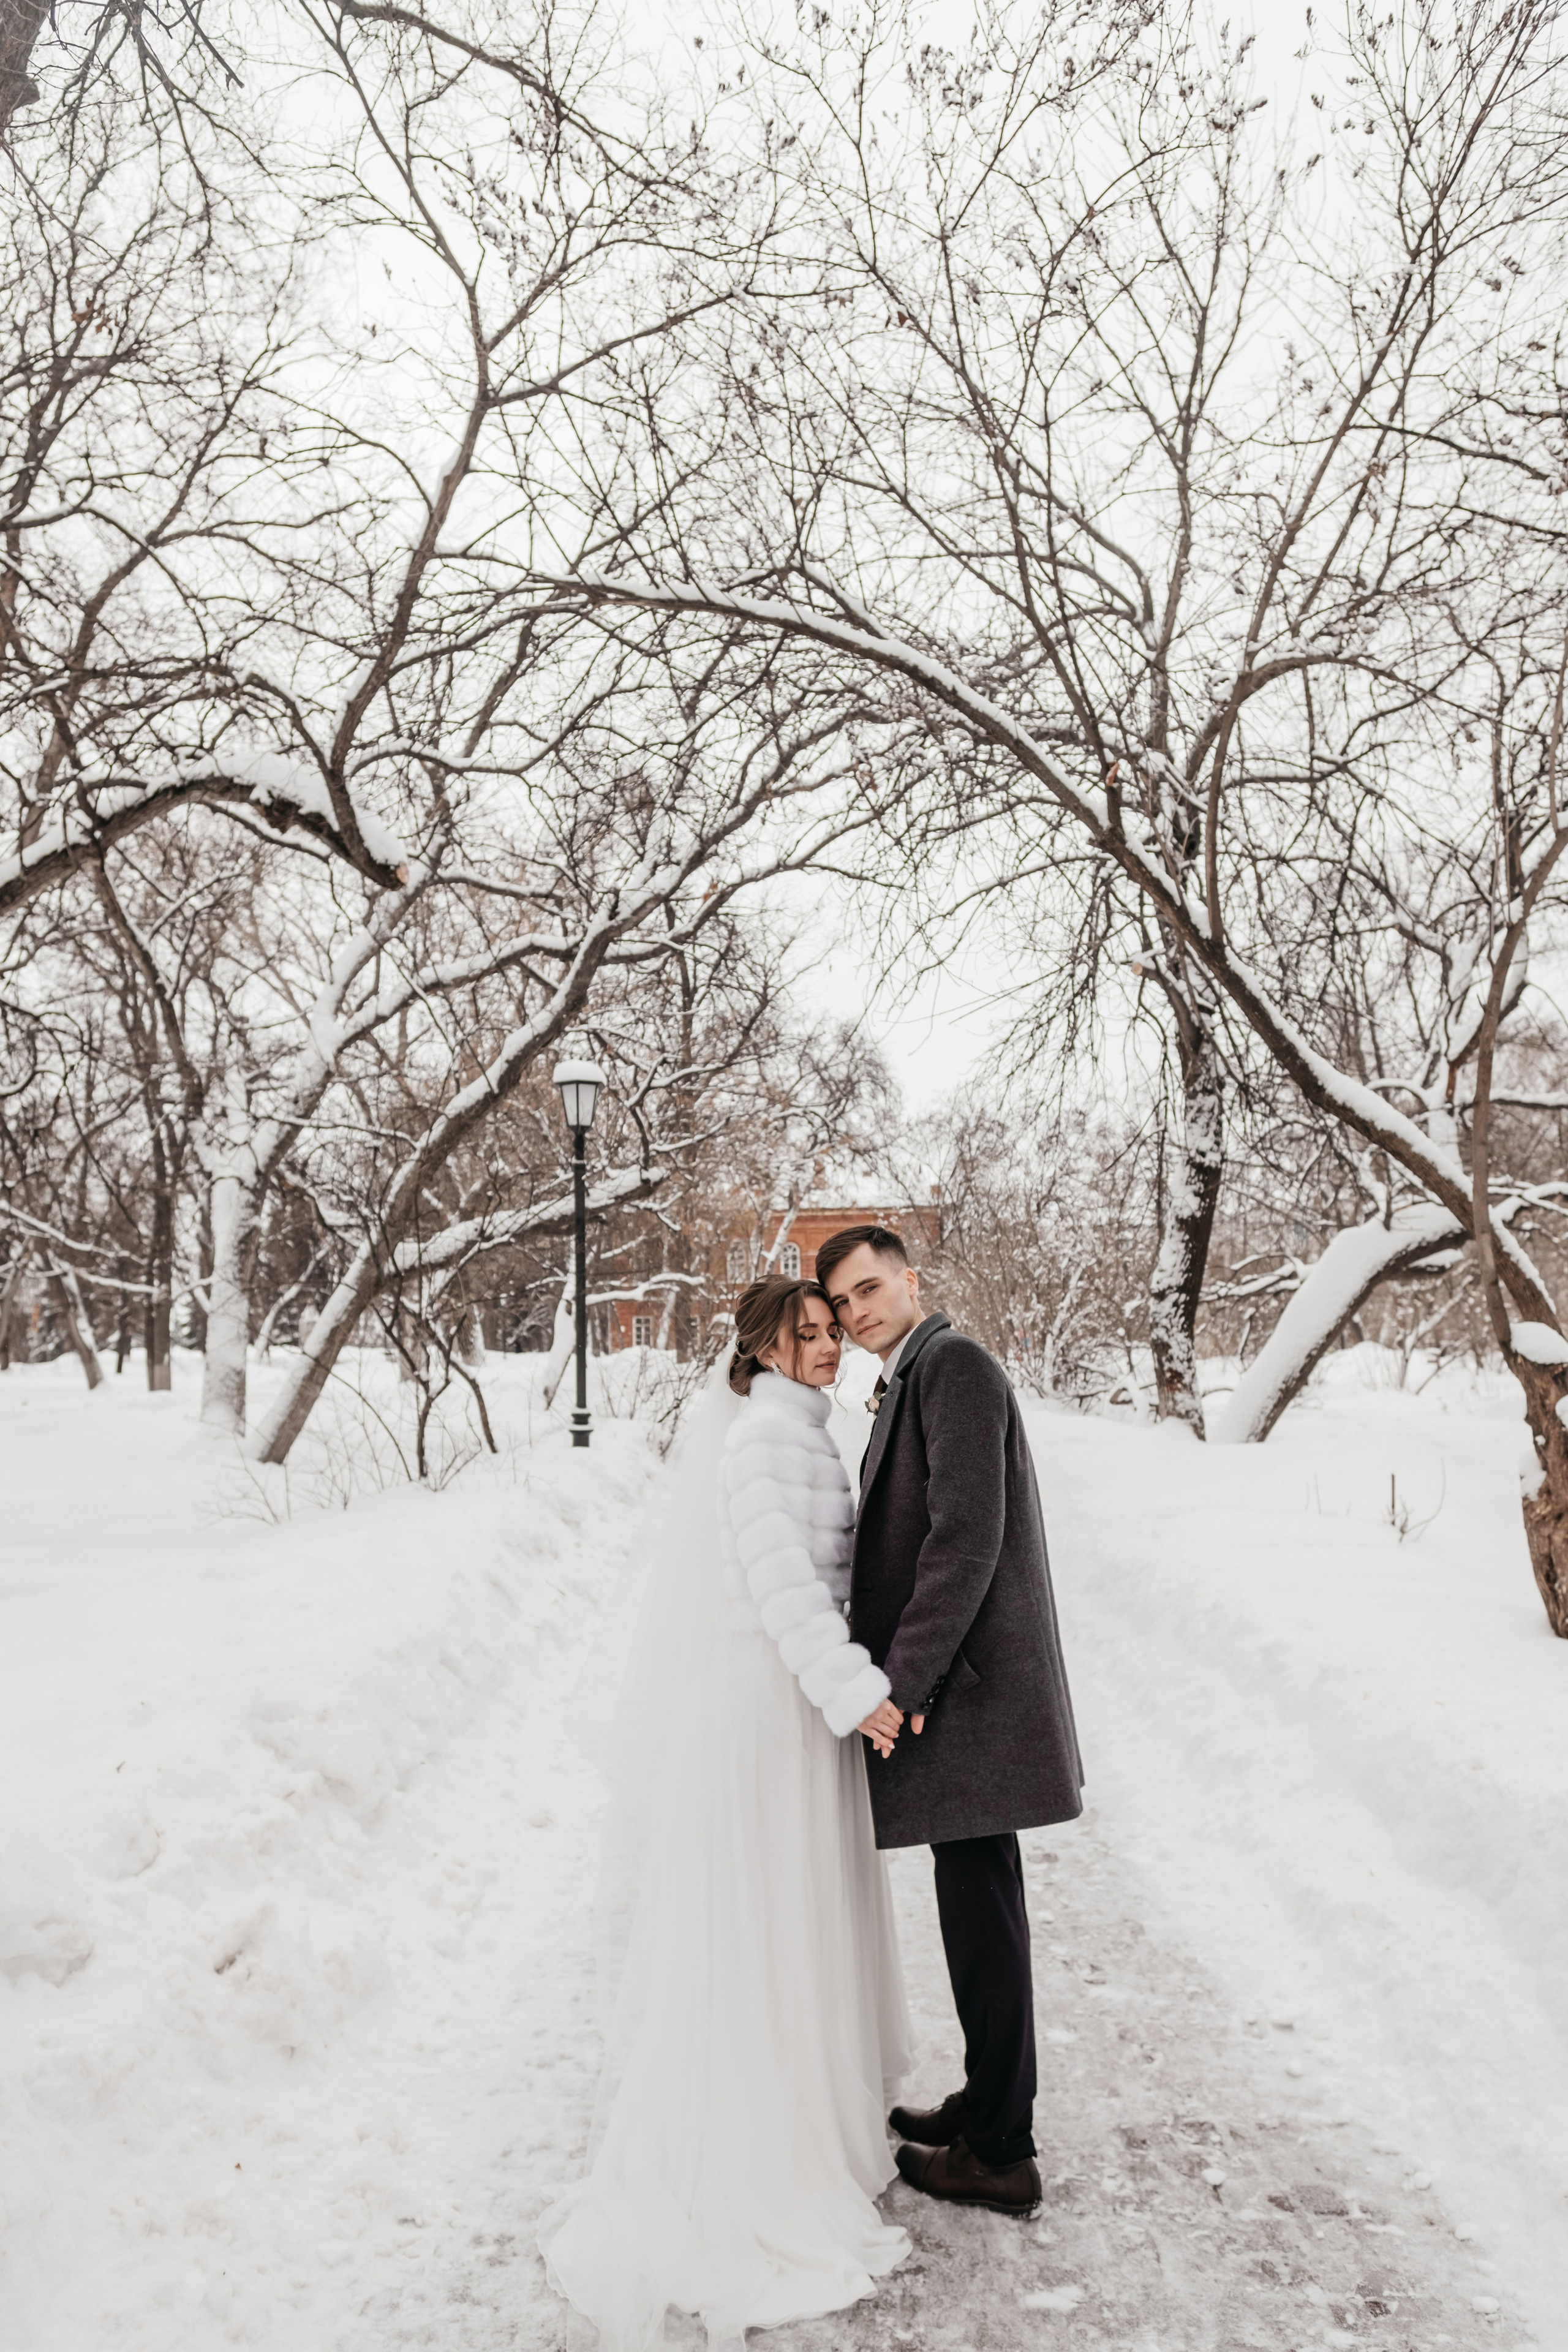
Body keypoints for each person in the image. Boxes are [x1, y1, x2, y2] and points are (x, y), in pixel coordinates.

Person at [536, 1273, 913, 2351]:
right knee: (765, 1922)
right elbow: (785, 1589)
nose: (832, 1347)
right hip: (773, 1709)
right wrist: (862, 1699)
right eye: (809, 1335)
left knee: (801, 1915)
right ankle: (750, 2160)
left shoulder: (798, 1430)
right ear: (764, 1350)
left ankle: (812, 2126)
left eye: (833, 1330)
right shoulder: (760, 1444)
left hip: (803, 1699)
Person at [815, 1224, 1084, 2221]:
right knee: (980, 1905)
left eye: (870, 1288)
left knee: (983, 1918)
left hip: (964, 1693)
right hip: (964, 1696)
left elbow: (964, 1541)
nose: (858, 1312)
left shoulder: (953, 1364)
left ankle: (1002, 2153)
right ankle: (989, 2102)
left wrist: (905, 1685)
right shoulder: (916, 1371)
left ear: (910, 1279)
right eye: (842, 1303)